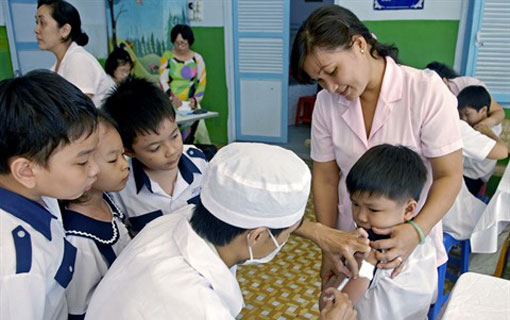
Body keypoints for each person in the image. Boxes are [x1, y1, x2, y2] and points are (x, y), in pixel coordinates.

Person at [291, 4, 463, 288]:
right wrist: (330, 243)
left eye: (332, 71)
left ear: (359, 44)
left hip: (407, 244)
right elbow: (325, 176)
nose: (330, 87)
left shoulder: (425, 90)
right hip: (352, 240)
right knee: (346, 308)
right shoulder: (326, 104)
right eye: (319, 81)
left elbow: (449, 176)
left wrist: (415, 230)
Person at [85, 142, 357, 320]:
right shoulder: (197, 307)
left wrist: (318, 233)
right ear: (258, 236)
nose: (284, 241)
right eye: (284, 235)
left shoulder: (175, 221)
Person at [0, 70, 99, 320]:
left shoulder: (39, 192)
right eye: (82, 161)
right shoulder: (19, 267)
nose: (95, 169)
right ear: (25, 170)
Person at [320, 144, 437, 320]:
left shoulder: (377, 250)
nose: (361, 216)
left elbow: (341, 302)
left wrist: (365, 266)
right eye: (355, 204)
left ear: (408, 209)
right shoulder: (421, 241)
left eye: (373, 210)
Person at [101, 77, 208, 233]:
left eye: (174, 136)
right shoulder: (121, 188)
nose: (171, 151)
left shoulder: (197, 160)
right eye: (155, 148)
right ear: (129, 151)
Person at [62, 112, 131, 318]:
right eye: (113, 160)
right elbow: (79, 309)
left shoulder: (107, 200)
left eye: (123, 155)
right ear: (84, 165)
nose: (125, 165)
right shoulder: (79, 240)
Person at [35, 0, 115, 107]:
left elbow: (78, 114)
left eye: (42, 23)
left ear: (65, 30)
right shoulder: (54, 69)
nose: (36, 29)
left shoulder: (78, 60)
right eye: (37, 23)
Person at [159, 24, 210, 144]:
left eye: (183, 43)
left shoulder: (197, 58)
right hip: (172, 101)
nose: (180, 47)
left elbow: (202, 82)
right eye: (177, 43)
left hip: (191, 102)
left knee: (200, 131)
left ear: (189, 42)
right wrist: (171, 98)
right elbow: (163, 80)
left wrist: (196, 100)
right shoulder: (167, 57)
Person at [426, 61, 505, 127]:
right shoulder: (429, 96)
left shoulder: (469, 85)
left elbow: (499, 112)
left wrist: (484, 125)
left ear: (445, 81)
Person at [457, 85, 505, 195]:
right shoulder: (468, 125)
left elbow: (502, 151)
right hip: (463, 173)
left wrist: (486, 131)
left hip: (474, 177)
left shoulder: (491, 130)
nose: (463, 118)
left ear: (483, 110)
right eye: (460, 114)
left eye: (467, 114)